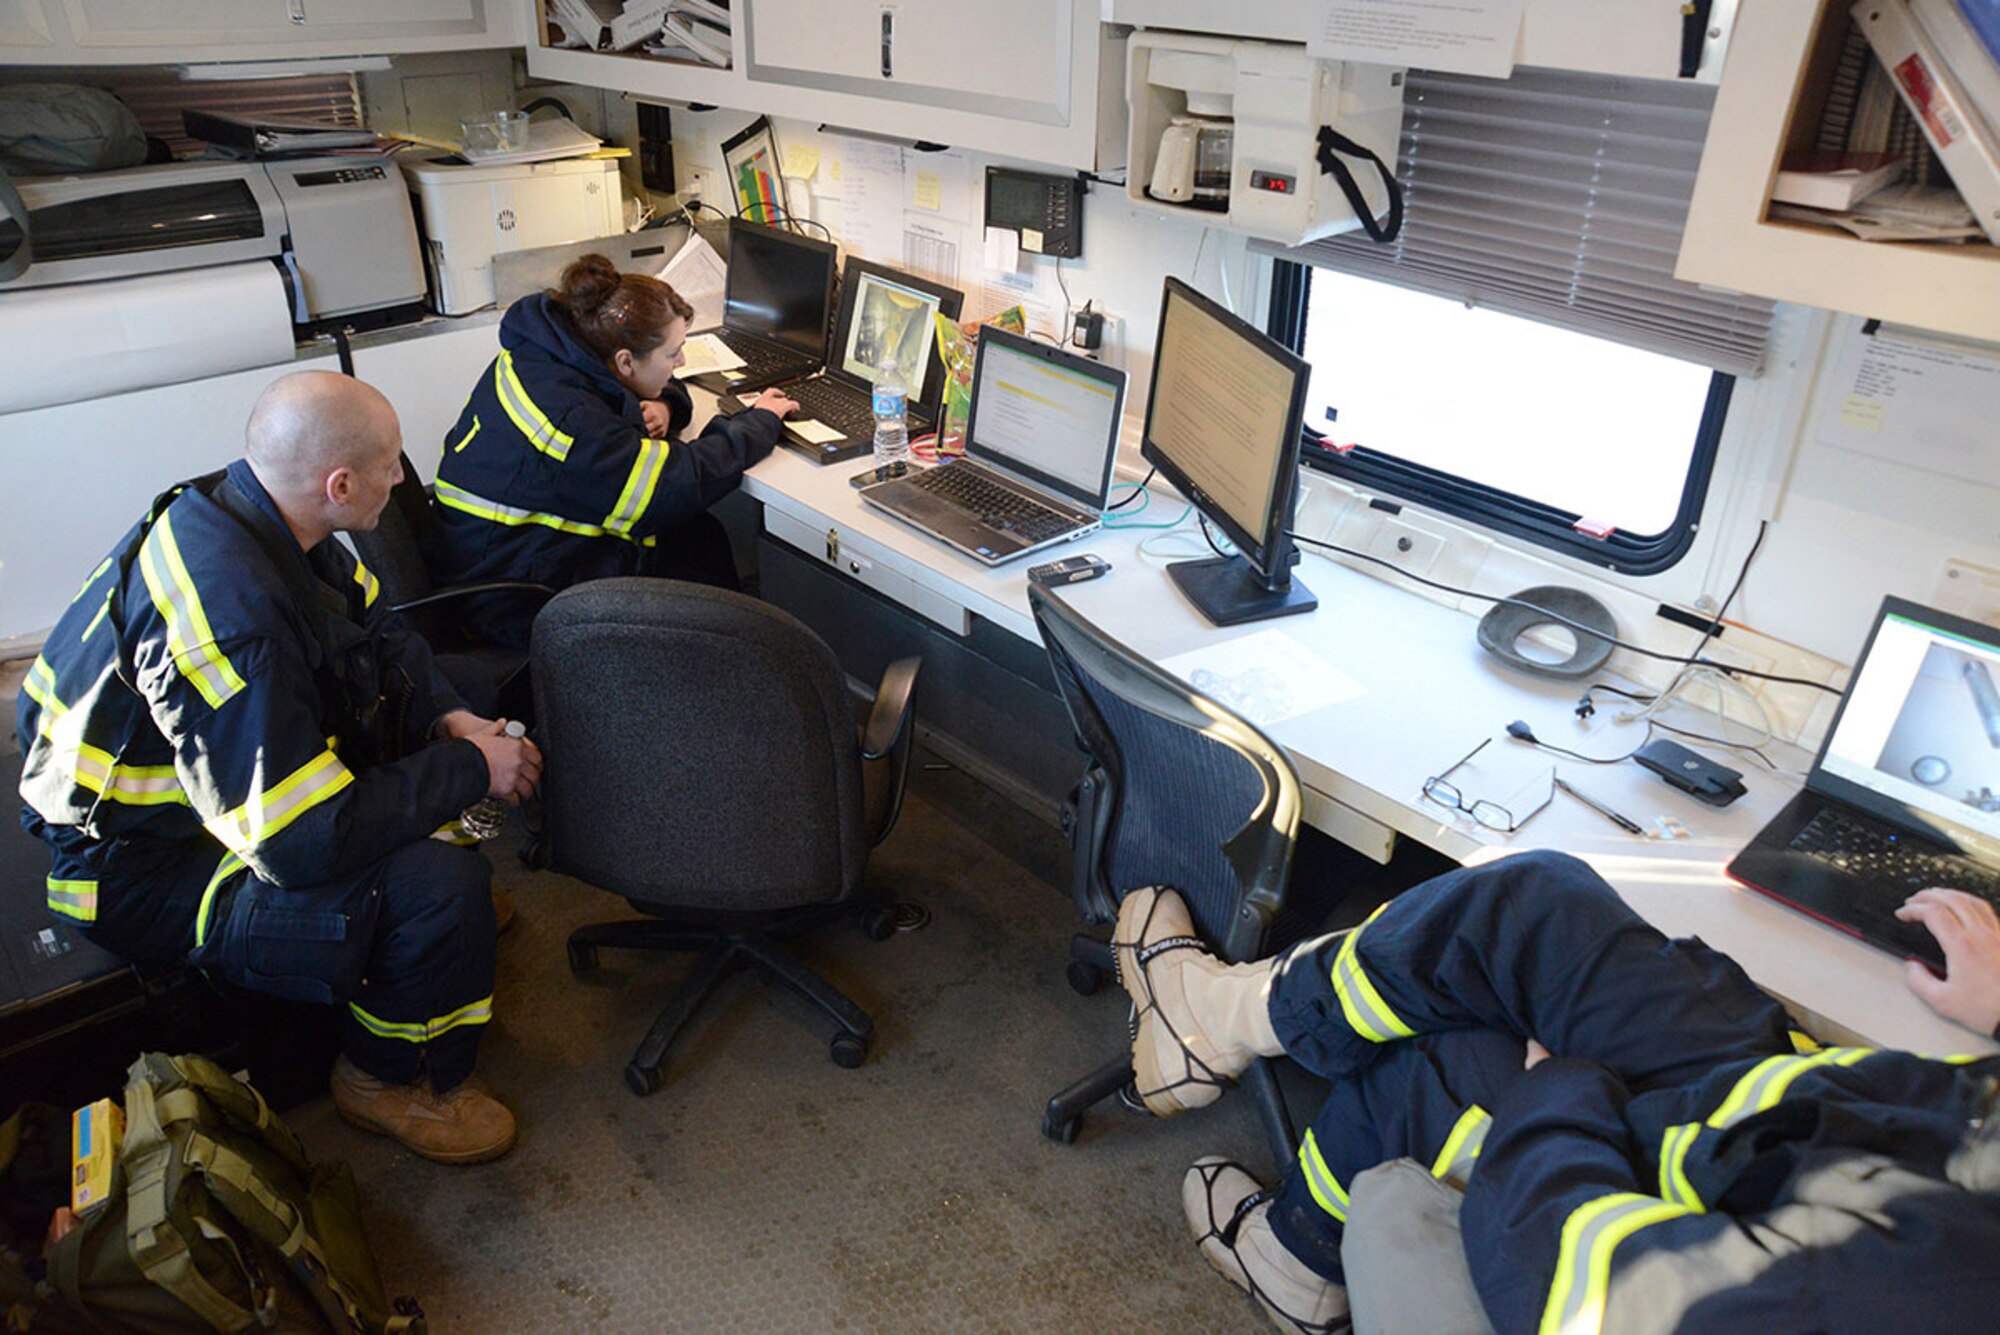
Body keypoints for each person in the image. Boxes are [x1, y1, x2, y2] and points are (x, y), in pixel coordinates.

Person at [1115, 851, 2000, 1334]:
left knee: (1455, 1054)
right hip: (1800, 1102)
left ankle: (1296, 1255)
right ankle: (1219, 1020)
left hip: (1725, 1175)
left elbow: (1583, 1289)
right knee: (1537, 904)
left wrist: (1555, 1097)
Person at [16, 371, 543, 1166]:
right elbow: (297, 841)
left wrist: (451, 719)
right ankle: (386, 1078)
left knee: (455, 690)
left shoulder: (253, 515)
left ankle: (423, 942)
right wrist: (471, 764)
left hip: (207, 807)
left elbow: (380, 631)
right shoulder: (235, 626)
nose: (401, 479)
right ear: (340, 483)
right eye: (392, 464)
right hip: (146, 871)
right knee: (441, 892)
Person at [429, 252, 799, 650]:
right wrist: (757, 423)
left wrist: (665, 404)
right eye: (673, 354)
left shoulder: (553, 352)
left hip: (507, 551)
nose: (682, 361)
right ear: (625, 362)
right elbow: (667, 488)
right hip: (513, 599)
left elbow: (636, 392)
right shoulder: (570, 421)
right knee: (696, 558)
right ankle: (727, 674)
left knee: (700, 538)